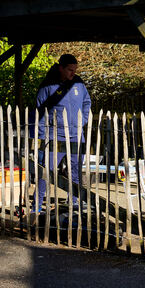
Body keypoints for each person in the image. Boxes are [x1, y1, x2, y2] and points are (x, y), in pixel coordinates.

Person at [35, 54, 91, 211]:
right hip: (55, 136)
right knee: (46, 172)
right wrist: (41, 135)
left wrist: (83, 120)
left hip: (76, 135)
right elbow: (40, 111)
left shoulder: (79, 83)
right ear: (61, 68)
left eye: (75, 70)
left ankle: (73, 203)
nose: (73, 73)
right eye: (69, 70)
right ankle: (37, 206)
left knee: (75, 172)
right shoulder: (47, 86)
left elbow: (87, 101)